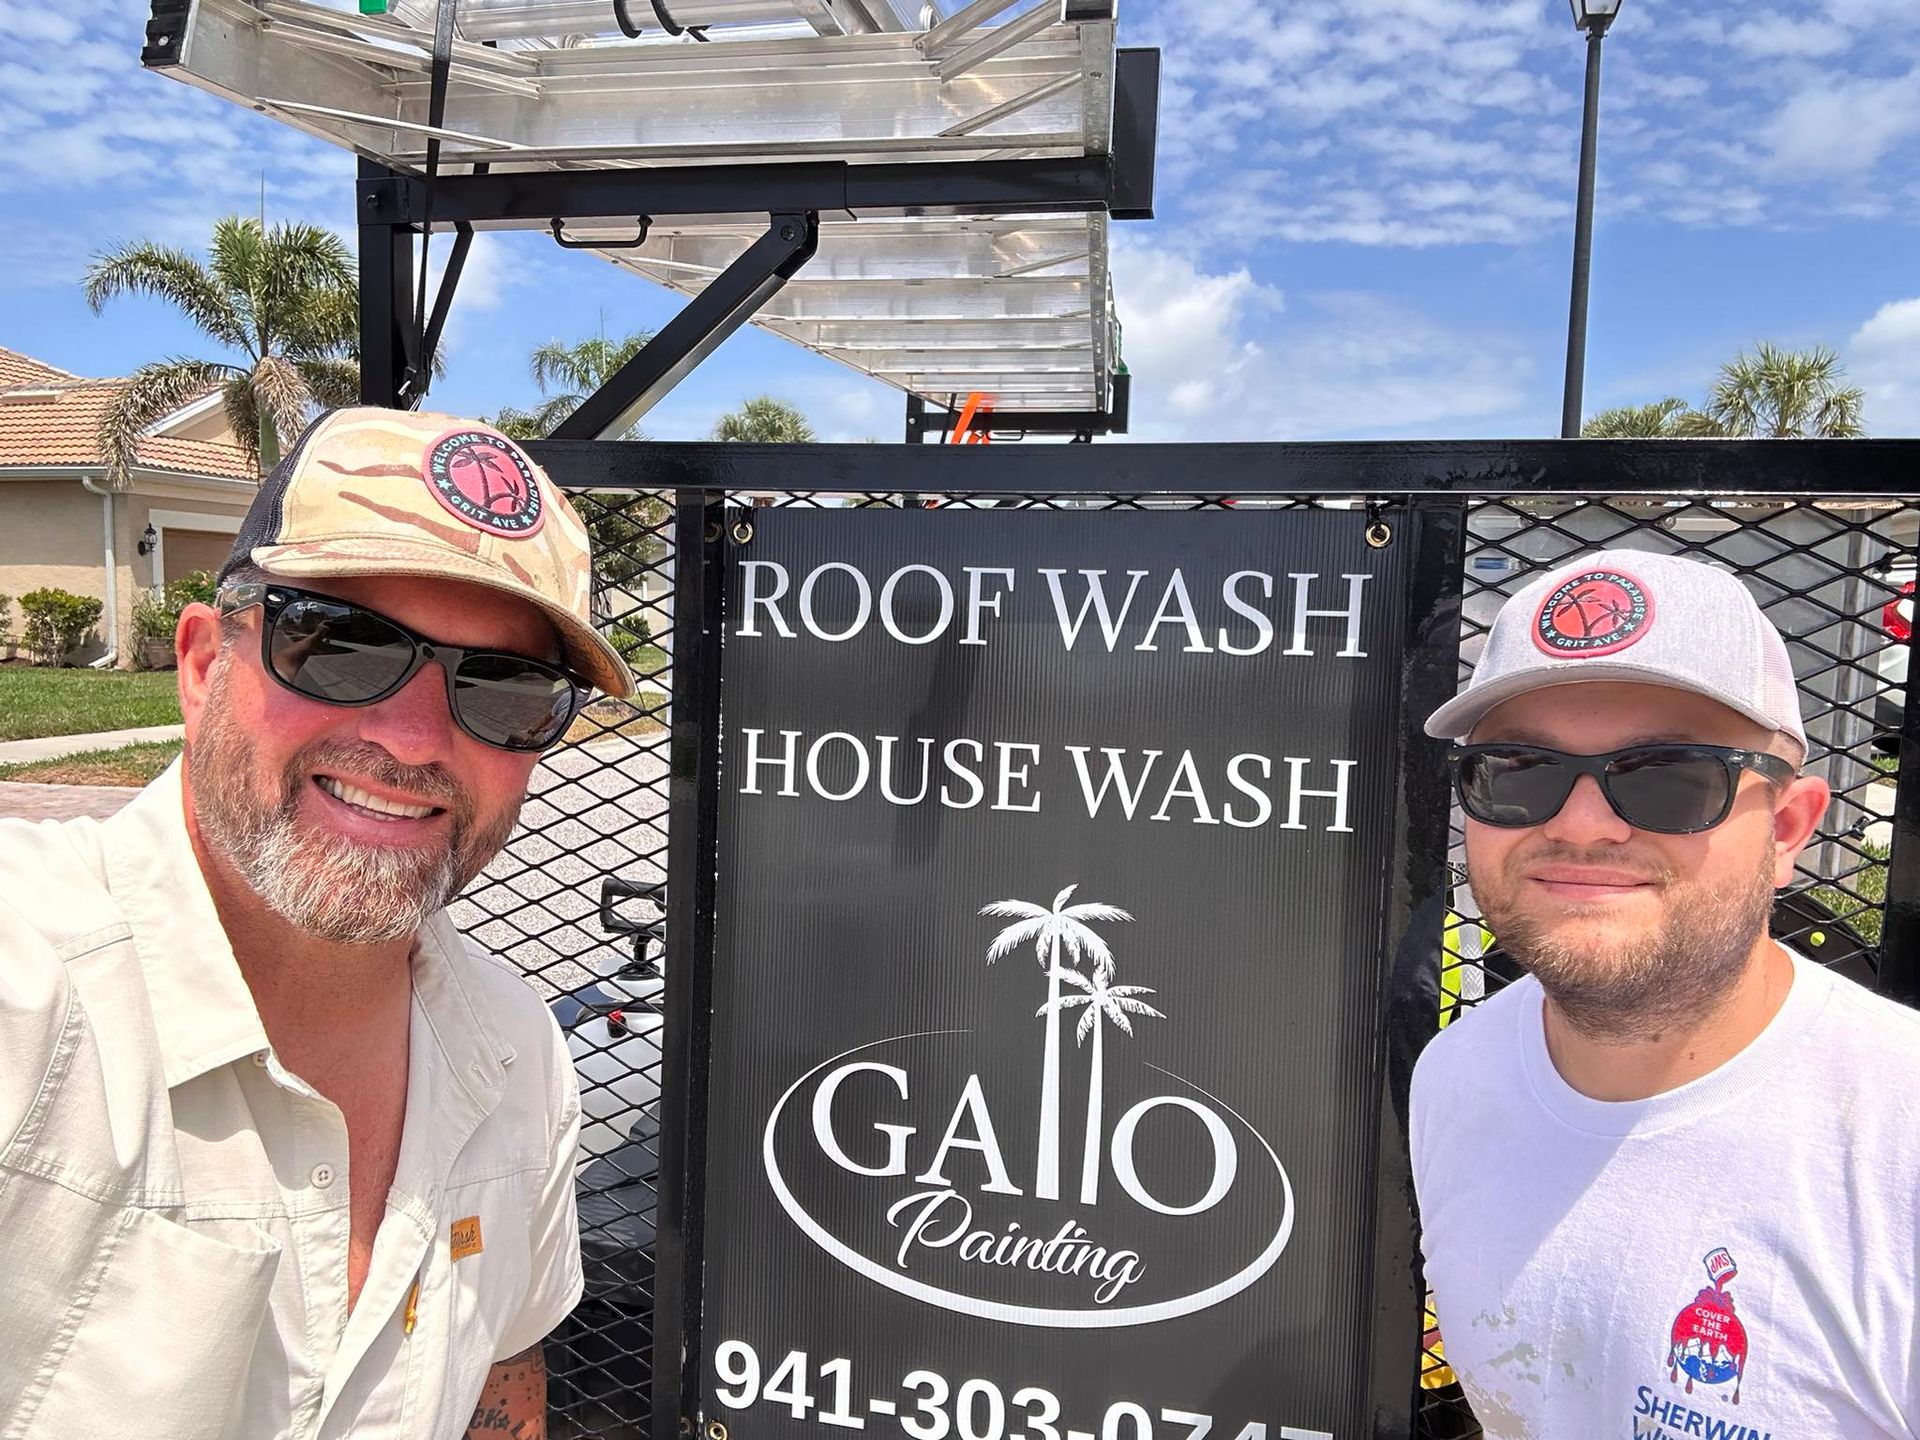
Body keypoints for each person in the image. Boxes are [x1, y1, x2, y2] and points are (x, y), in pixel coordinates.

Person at [0, 407, 634, 1439]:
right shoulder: (28, 992)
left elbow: (502, 1378)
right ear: (205, 666)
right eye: (339, 645)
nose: (417, 736)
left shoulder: (521, 1059)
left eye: (506, 684)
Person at [1410, 549, 1920, 1438]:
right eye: (1520, 771)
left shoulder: (1894, 1144)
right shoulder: (1456, 1078)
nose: (1580, 822)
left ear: (1789, 827)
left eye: (1671, 777)